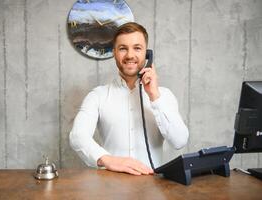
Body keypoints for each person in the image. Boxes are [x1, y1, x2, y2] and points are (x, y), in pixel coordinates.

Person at [69, 22, 189, 175]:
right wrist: (108, 159)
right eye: (123, 48)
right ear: (114, 53)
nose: (130, 55)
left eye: (137, 48)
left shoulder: (164, 96)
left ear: (147, 53)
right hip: (111, 190)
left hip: (153, 191)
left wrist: (154, 96)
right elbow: (77, 136)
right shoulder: (97, 96)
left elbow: (180, 141)